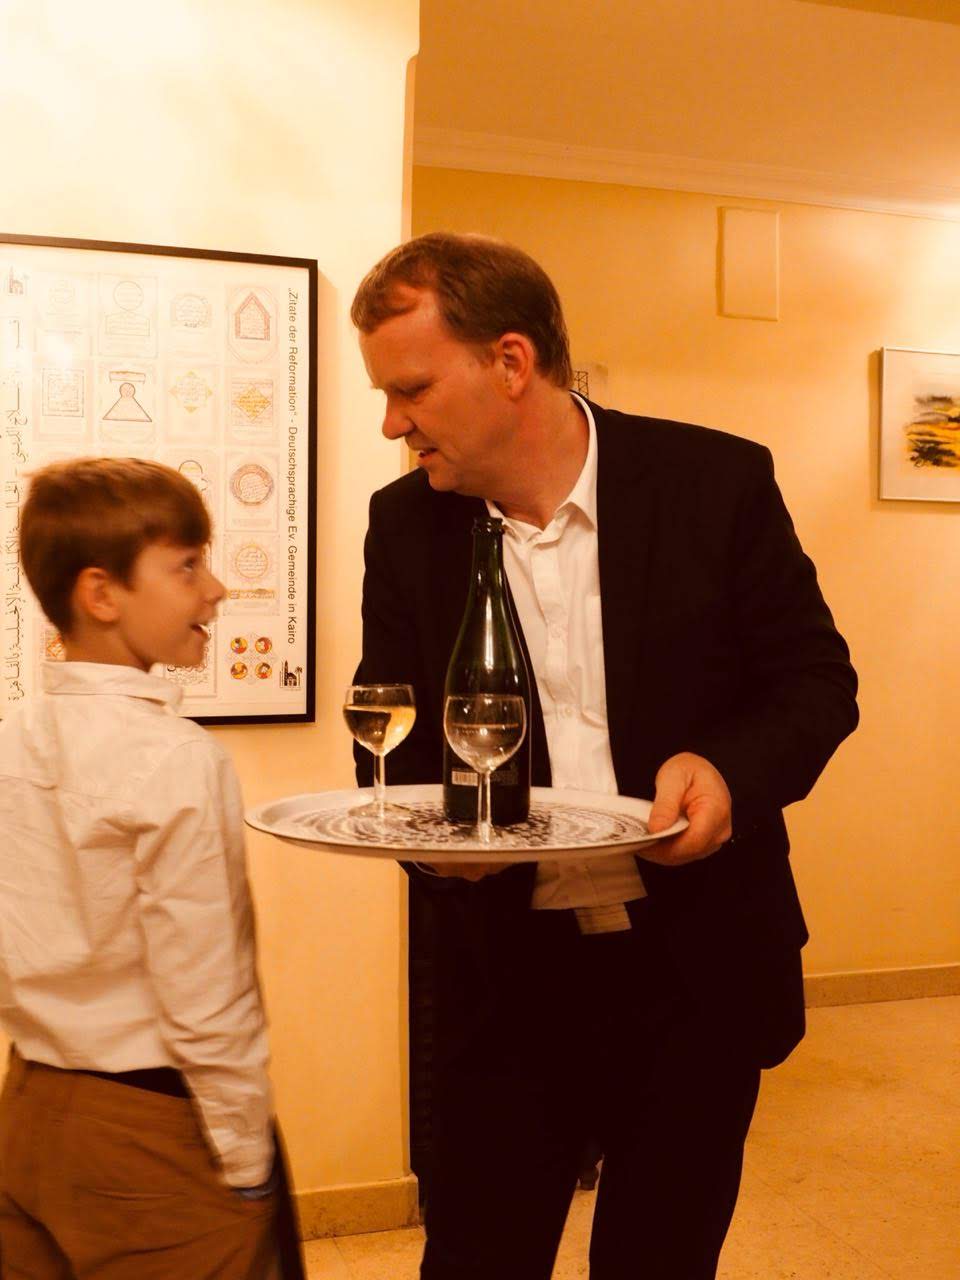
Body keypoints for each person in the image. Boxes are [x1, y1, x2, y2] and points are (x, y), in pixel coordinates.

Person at [350, 233, 859, 1280]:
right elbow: (388, 736)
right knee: (477, 1259)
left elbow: (816, 683)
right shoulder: (403, 526)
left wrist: (725, 771)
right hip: (505, 975)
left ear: (510, 362)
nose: (392, 423)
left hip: (697, 968)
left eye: (410, 389)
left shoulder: (715, 481)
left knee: (660, 1259)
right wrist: (429, 842)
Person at [0, 458, 304, 1279]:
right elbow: (207, 996)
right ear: (101, 594)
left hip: (27, 1111)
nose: (216, 590)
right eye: (187, 565)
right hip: (149, 1134)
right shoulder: (175, 758)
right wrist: (246, 1158)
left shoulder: (11, 741)